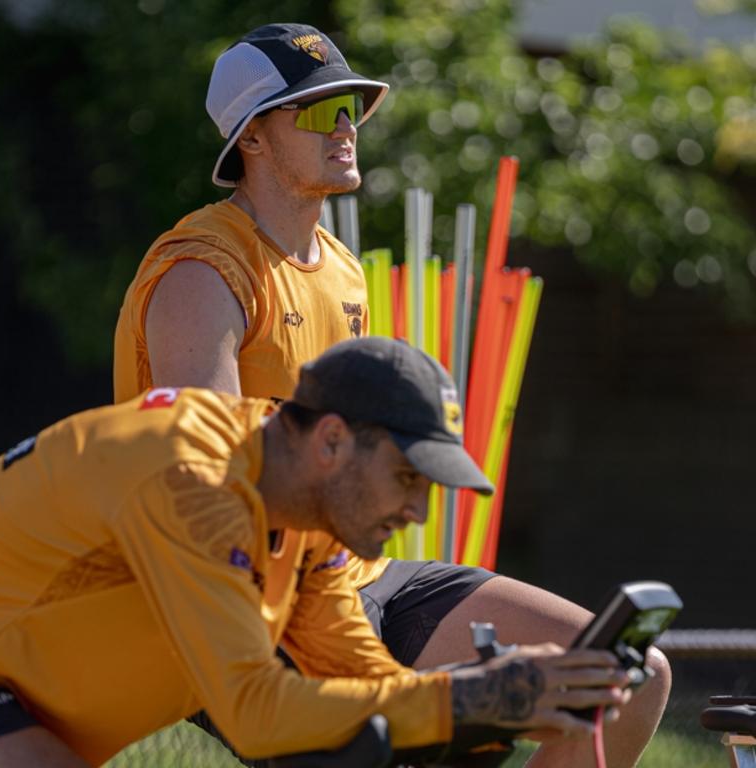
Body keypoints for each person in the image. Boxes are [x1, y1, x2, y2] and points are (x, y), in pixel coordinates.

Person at [109, 21, 671, 767]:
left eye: (351, 108)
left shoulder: (341, 269)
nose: (344, 128)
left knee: (626, 677)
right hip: (240, 598)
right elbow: (208, 488)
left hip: (349, 576)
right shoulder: (201, 273)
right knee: (425, 742)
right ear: (251, 138)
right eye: (316, 111)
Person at [0, 338, 632, 767]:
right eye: (409, 478)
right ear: (331, 441)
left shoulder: (308, 511)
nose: (420, 512)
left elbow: (359, 676)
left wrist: (482, 714)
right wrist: (465, 700)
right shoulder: (194, 484)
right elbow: (254, 713)